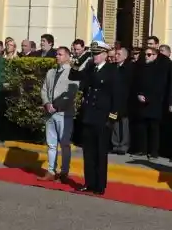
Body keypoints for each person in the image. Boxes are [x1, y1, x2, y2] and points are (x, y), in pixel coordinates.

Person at [76, 42, 118, 195]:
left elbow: (117, 97)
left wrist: (111, 119)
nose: (95, 56)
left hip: (103, 117)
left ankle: (100, 185)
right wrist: (81, 59)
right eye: (93, 53)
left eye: (98, 53)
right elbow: (73, 75)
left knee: (100, 153)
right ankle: (89, 182)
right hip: (89, 115)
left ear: (106, 55)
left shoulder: (112, 71)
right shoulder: (90, 69)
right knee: (88, 152)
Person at [39, 47, 78, 181]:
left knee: (64, 144)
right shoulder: (51, 72)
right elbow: (44, 89)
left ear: (67, 57)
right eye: (57, 54)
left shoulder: (72, 73)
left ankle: (64, 172)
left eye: (60, 55)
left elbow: (71, 94)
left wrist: (56, 106)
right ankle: (51, 170)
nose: (57, 56)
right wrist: (47, 103)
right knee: (51, 144)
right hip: (50, 113)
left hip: (63, 113)